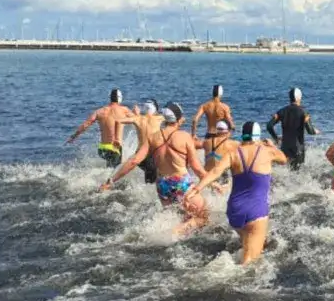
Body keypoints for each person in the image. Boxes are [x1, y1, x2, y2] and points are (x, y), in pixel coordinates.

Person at [102, 102, 208, 237]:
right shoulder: (184, 136)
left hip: (162, 185)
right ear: (178, 119)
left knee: (180, 216)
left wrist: (111, 180)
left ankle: (170, 237)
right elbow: (197, 168)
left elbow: (134, 161)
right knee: (203, 216)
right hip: (181, 183)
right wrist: (213, 182)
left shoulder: (153, 138)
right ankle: (174, 233)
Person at [187, 122, 287, 265]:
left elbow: (215, 172)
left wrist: (197, 189)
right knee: (249, 263)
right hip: (256, 211)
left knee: (252, 242)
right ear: (258, 136)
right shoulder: (267, 151)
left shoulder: (233, 153)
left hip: (234, 211)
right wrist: (271, 145)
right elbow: (283, 159)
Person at [65, 88, 135, 167]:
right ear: (120, 98)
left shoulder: (99, 111)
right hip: (115, 149)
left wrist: (73, 137)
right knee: (114, 174)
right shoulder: (124, 110)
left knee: (109, 167)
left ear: (110, 98)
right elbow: (139, 120)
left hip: (102, 149)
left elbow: (85, 125)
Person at [266, 87, 318, 171]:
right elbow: (310, 131)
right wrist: (315, 131)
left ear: (290, 98)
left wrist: (276, 138)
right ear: (299, 98)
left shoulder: (282, 111)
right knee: (298, 173)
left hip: (285, 147)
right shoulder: (303, 112)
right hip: (298, 149)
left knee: (287, 171)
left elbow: (269, 126)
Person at [194, 120, 238, 192]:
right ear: (228, 131)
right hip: (220, 175)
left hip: (207, 177)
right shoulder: (232, 143)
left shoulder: (206, 142)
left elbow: (193, 144)